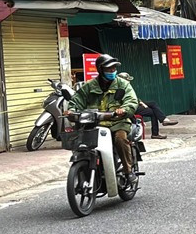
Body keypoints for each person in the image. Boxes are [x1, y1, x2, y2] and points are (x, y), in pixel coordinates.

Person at [67, 54, 139, 183]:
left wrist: (124, 110)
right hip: (96, 123)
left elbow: (131, 101)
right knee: (83, 143)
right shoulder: (89, 86)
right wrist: (71, 111)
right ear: (100, 70)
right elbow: (77, 100)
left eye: (114, 68)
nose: (112, 71)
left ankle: (128, 172)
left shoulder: (123, 84)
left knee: (120, 139)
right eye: (108, 69)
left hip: (118, 122)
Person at [117, 72, 178, 139]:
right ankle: (160, 126)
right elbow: (127, 101)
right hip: (129, 108)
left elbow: (133, 97)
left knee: (153, 107)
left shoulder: (126, 87)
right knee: (153, 110)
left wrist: (141, 102)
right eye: (128, 80)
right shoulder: (120, 88)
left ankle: (162, 123)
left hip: (134, 104)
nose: (129, 81)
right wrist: (140, 103)